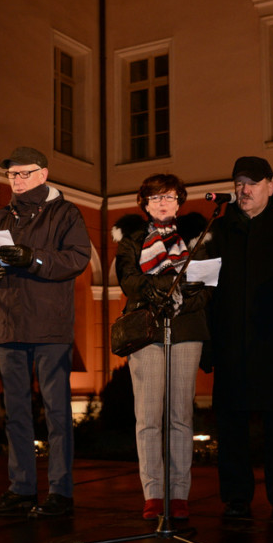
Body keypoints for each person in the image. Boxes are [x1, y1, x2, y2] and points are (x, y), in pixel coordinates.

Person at [0, 147, 90, 517]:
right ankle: (21, 487)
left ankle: (60, 491)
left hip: (50, 327)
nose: (17, 180)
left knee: (57, 413)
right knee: (17, 413)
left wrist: (33, 259)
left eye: (25, 173)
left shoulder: (66, 213)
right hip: (7, 324)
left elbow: (77, 258)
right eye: (12, 175)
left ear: (43, 174)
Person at [205, 156, 273, 520]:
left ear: (270, 186)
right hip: (231, 342)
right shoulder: (218, 229)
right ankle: (235, 497)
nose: (244, 190)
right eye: (239, 183)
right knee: (231, 427)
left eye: (252, 182)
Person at [113, 174, 210, 520]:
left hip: (186, 328)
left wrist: (189, 295)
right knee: (149, 417)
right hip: (145, 330)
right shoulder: (132, 238)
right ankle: (154, 493)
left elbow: (207, 282)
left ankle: (179, 493)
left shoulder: (197, 235)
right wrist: (161, 287)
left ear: (180, 201)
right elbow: (128, 279)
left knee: (181, 416)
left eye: (169, 197)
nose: (162, 203)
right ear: (145, 204)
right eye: (155, 198)